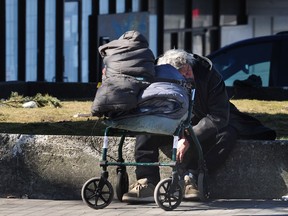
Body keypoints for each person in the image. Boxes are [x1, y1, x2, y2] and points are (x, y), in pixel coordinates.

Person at [122, 49, 276, 203]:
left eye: (188, 70)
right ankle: (146, 181)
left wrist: (188, 136)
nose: (188, 75)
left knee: (228, 134)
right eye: (182, 74)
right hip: (171, 121)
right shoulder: (159, 76)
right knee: (146, 128)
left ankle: (192, 177)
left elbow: (218, 116)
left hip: (202, 122)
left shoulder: (209, 75)